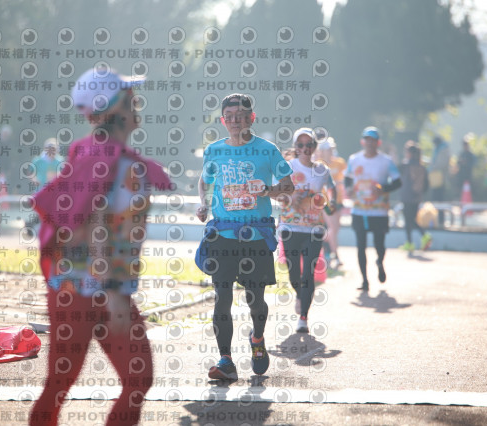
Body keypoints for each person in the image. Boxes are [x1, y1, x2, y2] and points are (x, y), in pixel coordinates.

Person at [29, 68, 170, 425]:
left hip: (82, 286)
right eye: (129, 96)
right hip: (89, 288)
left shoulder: (95, 154)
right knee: (81, 381)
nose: (136, 102)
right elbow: (94, 226)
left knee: (125, 378)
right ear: (115, 106)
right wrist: (113, 292)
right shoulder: (114, 162)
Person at [196, 93, 294, 380]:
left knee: (255, 299)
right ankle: (226, 361)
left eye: (240, 115)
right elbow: (204, 181)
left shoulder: (267, 150)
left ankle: (257, 338)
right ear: (223, 120)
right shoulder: (214, 150)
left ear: (251, 118)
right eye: (229, 116)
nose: (235, 120)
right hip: (223, 233)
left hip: (256, 235)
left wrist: (267, 191)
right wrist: (203, 203)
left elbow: (288, 186)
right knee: (222, 297)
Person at [279, 128, 336, 333]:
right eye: (301, 145)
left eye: (309, 144)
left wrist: (331, 202)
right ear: (296, 147)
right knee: (294, 272)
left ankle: (303, 317)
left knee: (308, 273)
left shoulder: (322, 170)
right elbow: (275, 191)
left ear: (314, 147)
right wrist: (289, 197)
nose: (305, 148)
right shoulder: (287, 167)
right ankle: (300, 296)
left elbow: (332, 190)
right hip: (290, 226)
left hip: (313, 228)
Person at [344, 126, 401, 292]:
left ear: (378, 143)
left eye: (373, 141)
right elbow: (347, 178)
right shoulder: (354, 159)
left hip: (379, 210)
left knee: (379, 244)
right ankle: (364, 280)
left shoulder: (386, 161)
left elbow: (397, 182)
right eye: (367, 140)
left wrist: (382, 188)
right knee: (360, 245)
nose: (370, 143)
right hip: (359, 209)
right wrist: (348, 189)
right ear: (362, 142)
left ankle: (379, 262)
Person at [313, 136, 347, 269]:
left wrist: (340, 183)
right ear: (321, 151)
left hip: (337, 200)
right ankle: (335, 256)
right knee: (331, 228)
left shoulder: (339, 162)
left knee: (335, 229)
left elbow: (345, 178)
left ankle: (326, 250)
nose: (331, 151)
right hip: (325, 202)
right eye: (328, 149)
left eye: (331, 149)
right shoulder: (317, 164)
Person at [398, 141, 432, 253]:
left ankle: (421, 237)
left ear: (409, 153)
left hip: (407, 196)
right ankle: (410, 242)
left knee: (408, 220)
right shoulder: (422, 167)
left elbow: (396, 174)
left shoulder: (405, 165)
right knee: (411, 219)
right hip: (417, 197)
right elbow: (426, 185)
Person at [428, 135, 450, 227]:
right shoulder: (438, 149)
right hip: (436, 179)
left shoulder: (443, 150)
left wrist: (432, 168)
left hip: (440, 179)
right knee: (435, 199)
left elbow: (441, 164)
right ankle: (435, 220)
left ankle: (440, 221)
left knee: (439, 200)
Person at [455, 134, 476, 198]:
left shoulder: (470, 155)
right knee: (460, 191)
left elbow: (472, 164)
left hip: (468, 176)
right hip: (461, 176)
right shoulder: (461, 154)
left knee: (468, 191)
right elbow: (458, 163)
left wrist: (466, 163)